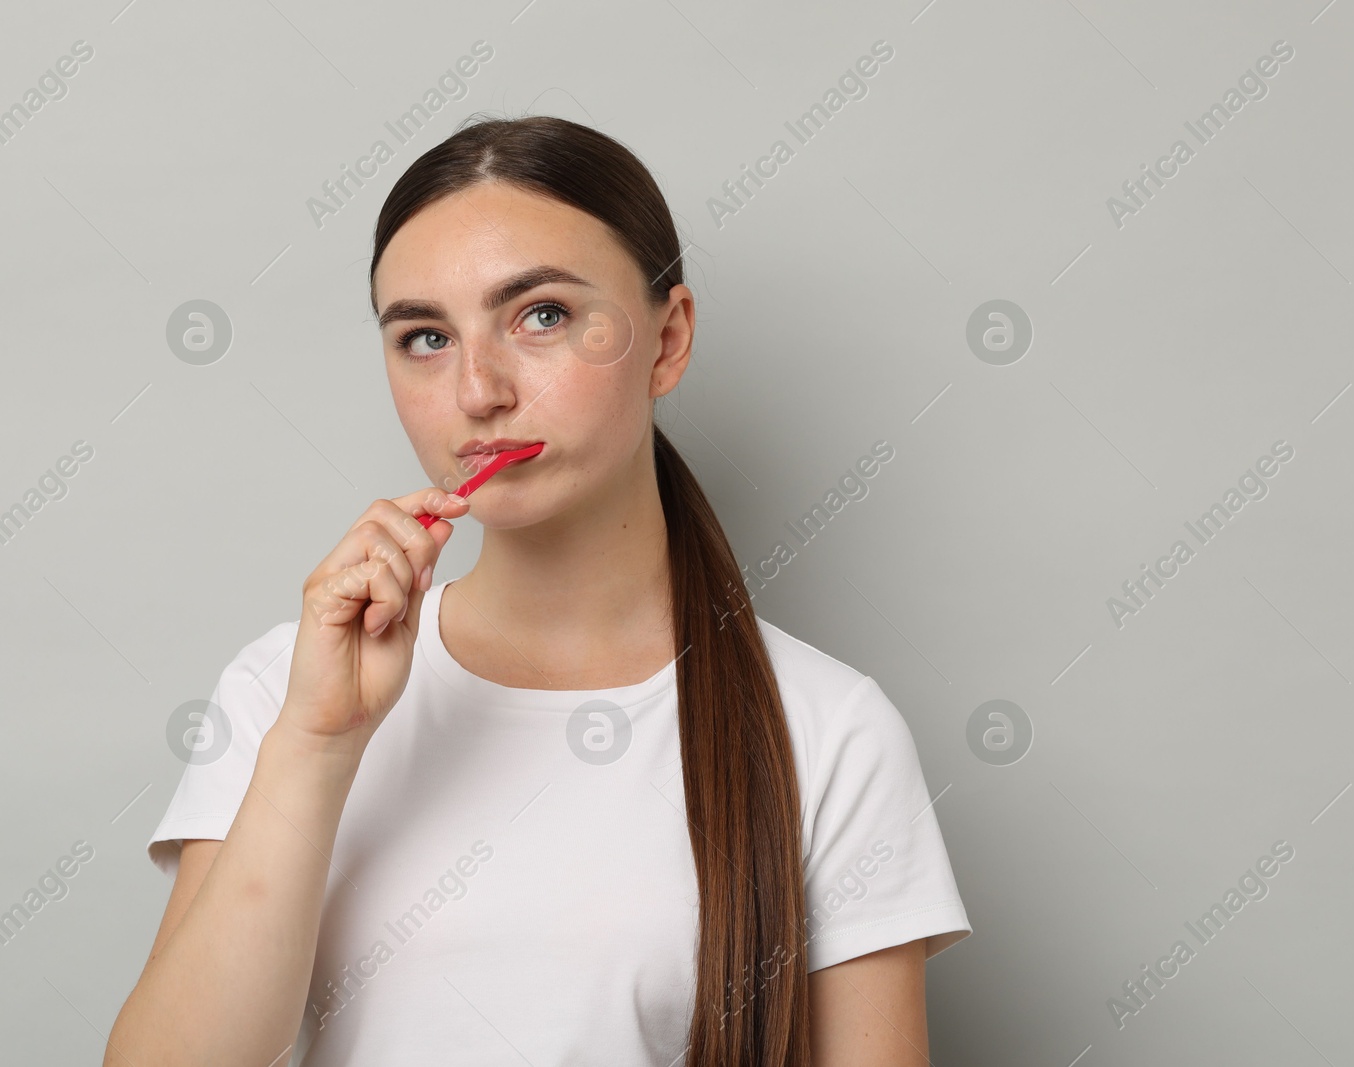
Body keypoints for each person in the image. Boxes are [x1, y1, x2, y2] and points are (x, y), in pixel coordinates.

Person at [106, 114, 970, 1067]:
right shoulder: (287, 689)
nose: (478, 390)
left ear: (668, 340)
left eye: (541, 315)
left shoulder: (830, 729)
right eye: (426, 337)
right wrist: (317, 745)